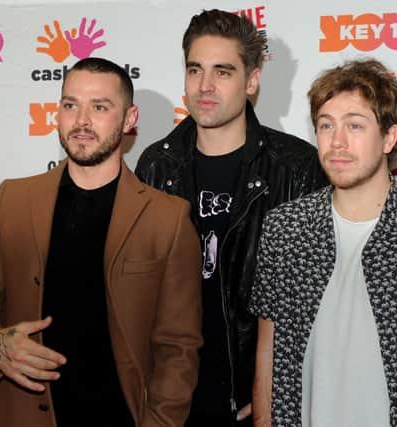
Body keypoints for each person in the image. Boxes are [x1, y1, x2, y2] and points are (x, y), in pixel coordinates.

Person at [0, 57, 203, 427]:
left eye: (100, 107)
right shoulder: (11, 200)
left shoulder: (168, 219)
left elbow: (179, 347)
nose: (82, 120)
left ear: (129, 119)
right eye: (70, 105)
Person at [250, 58, 397, 426]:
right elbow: (268, 355)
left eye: (355, 126)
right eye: (326, 125)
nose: (337, 141)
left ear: (389, 137)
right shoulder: (285, 228)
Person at [135, 9, 327, 426]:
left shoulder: (296, 167)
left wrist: (277, 390)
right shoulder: (155, 167)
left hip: (257, 400)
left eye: (223, 72)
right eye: (195, 70)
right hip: (172, 402)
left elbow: (318, 297)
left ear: (252, 80)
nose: (205, 86)